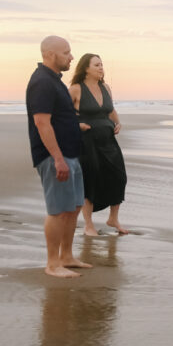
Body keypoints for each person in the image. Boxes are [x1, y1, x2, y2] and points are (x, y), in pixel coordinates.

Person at [25, 36, 92, 278]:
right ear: (51, 55)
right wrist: (58, 159)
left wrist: (76, 126)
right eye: (66, 52)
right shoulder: (42, 82)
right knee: (57, 210)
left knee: (73, 207)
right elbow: (42, 123)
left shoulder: (55, 81)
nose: (71, 57)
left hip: (70, 154)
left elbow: (59, 118)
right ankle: (53, 264)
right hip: (55, 157)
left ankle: (67, 256)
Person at [68, 53, 129, 235]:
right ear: (86, 68)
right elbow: (62, 115)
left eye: (101, 64)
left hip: (108, 140)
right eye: (96, 65)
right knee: (91, 179)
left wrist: (118, 123)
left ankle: (113, 219)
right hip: (87, 141)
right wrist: (78, 125)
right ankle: (88, 225)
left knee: (119, 176)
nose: (101, 68)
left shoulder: (106, 88)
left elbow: (110, 110)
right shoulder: (75, 89)